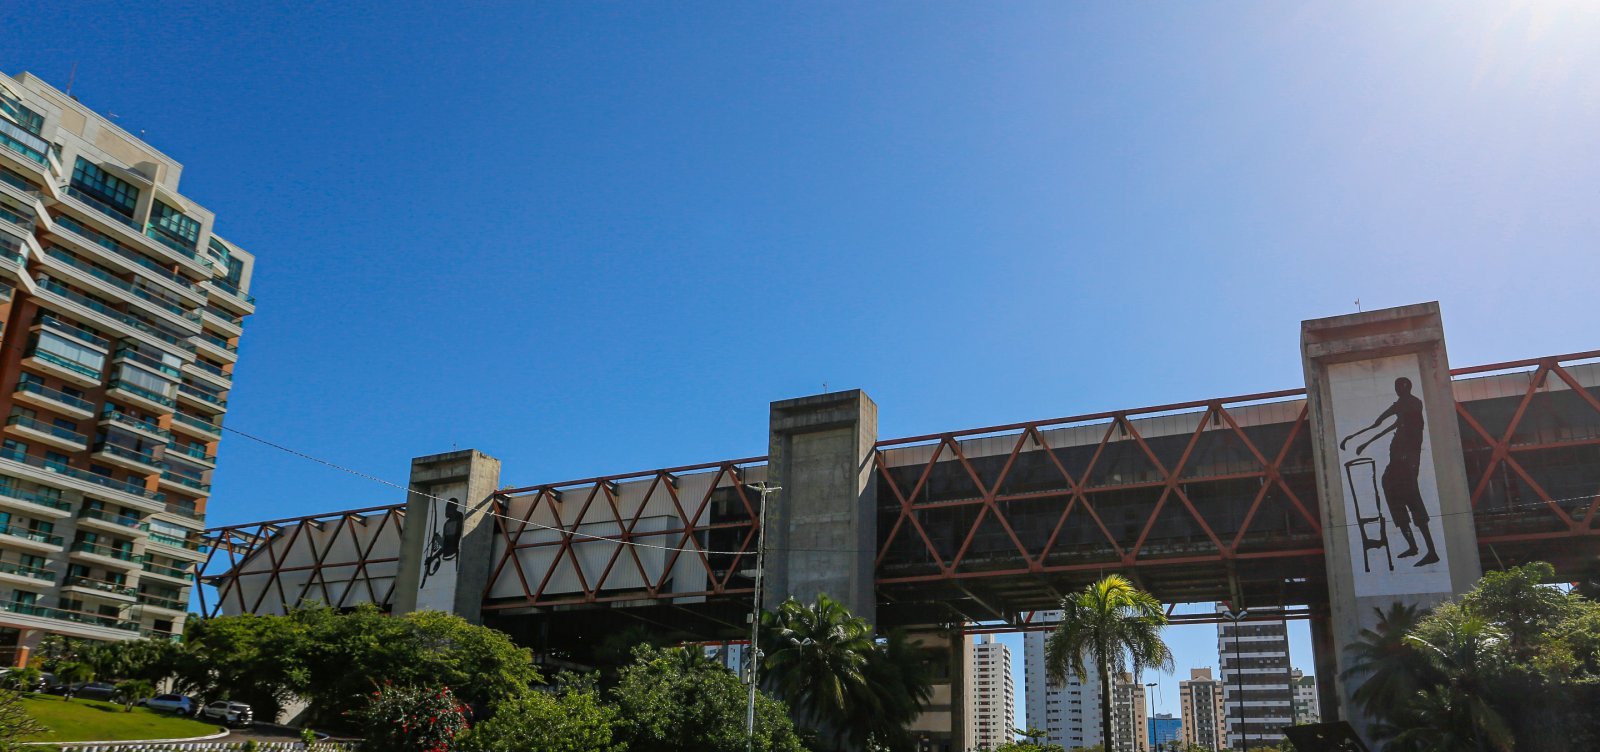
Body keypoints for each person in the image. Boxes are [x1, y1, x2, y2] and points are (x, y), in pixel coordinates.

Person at [1341, 377, 1439, 567]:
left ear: (1405, 387)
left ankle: (1431, 550)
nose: (1397, 390)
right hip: (1399, 461)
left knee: (1411, 497)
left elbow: (1391, 423)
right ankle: (1414, 546)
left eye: (1399, 387)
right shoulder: (1403, 409)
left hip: (1406, 462)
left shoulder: (1412, 405)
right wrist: (1362, 441)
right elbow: (1382, 423)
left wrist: (1363, 440)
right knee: (1394, 494)